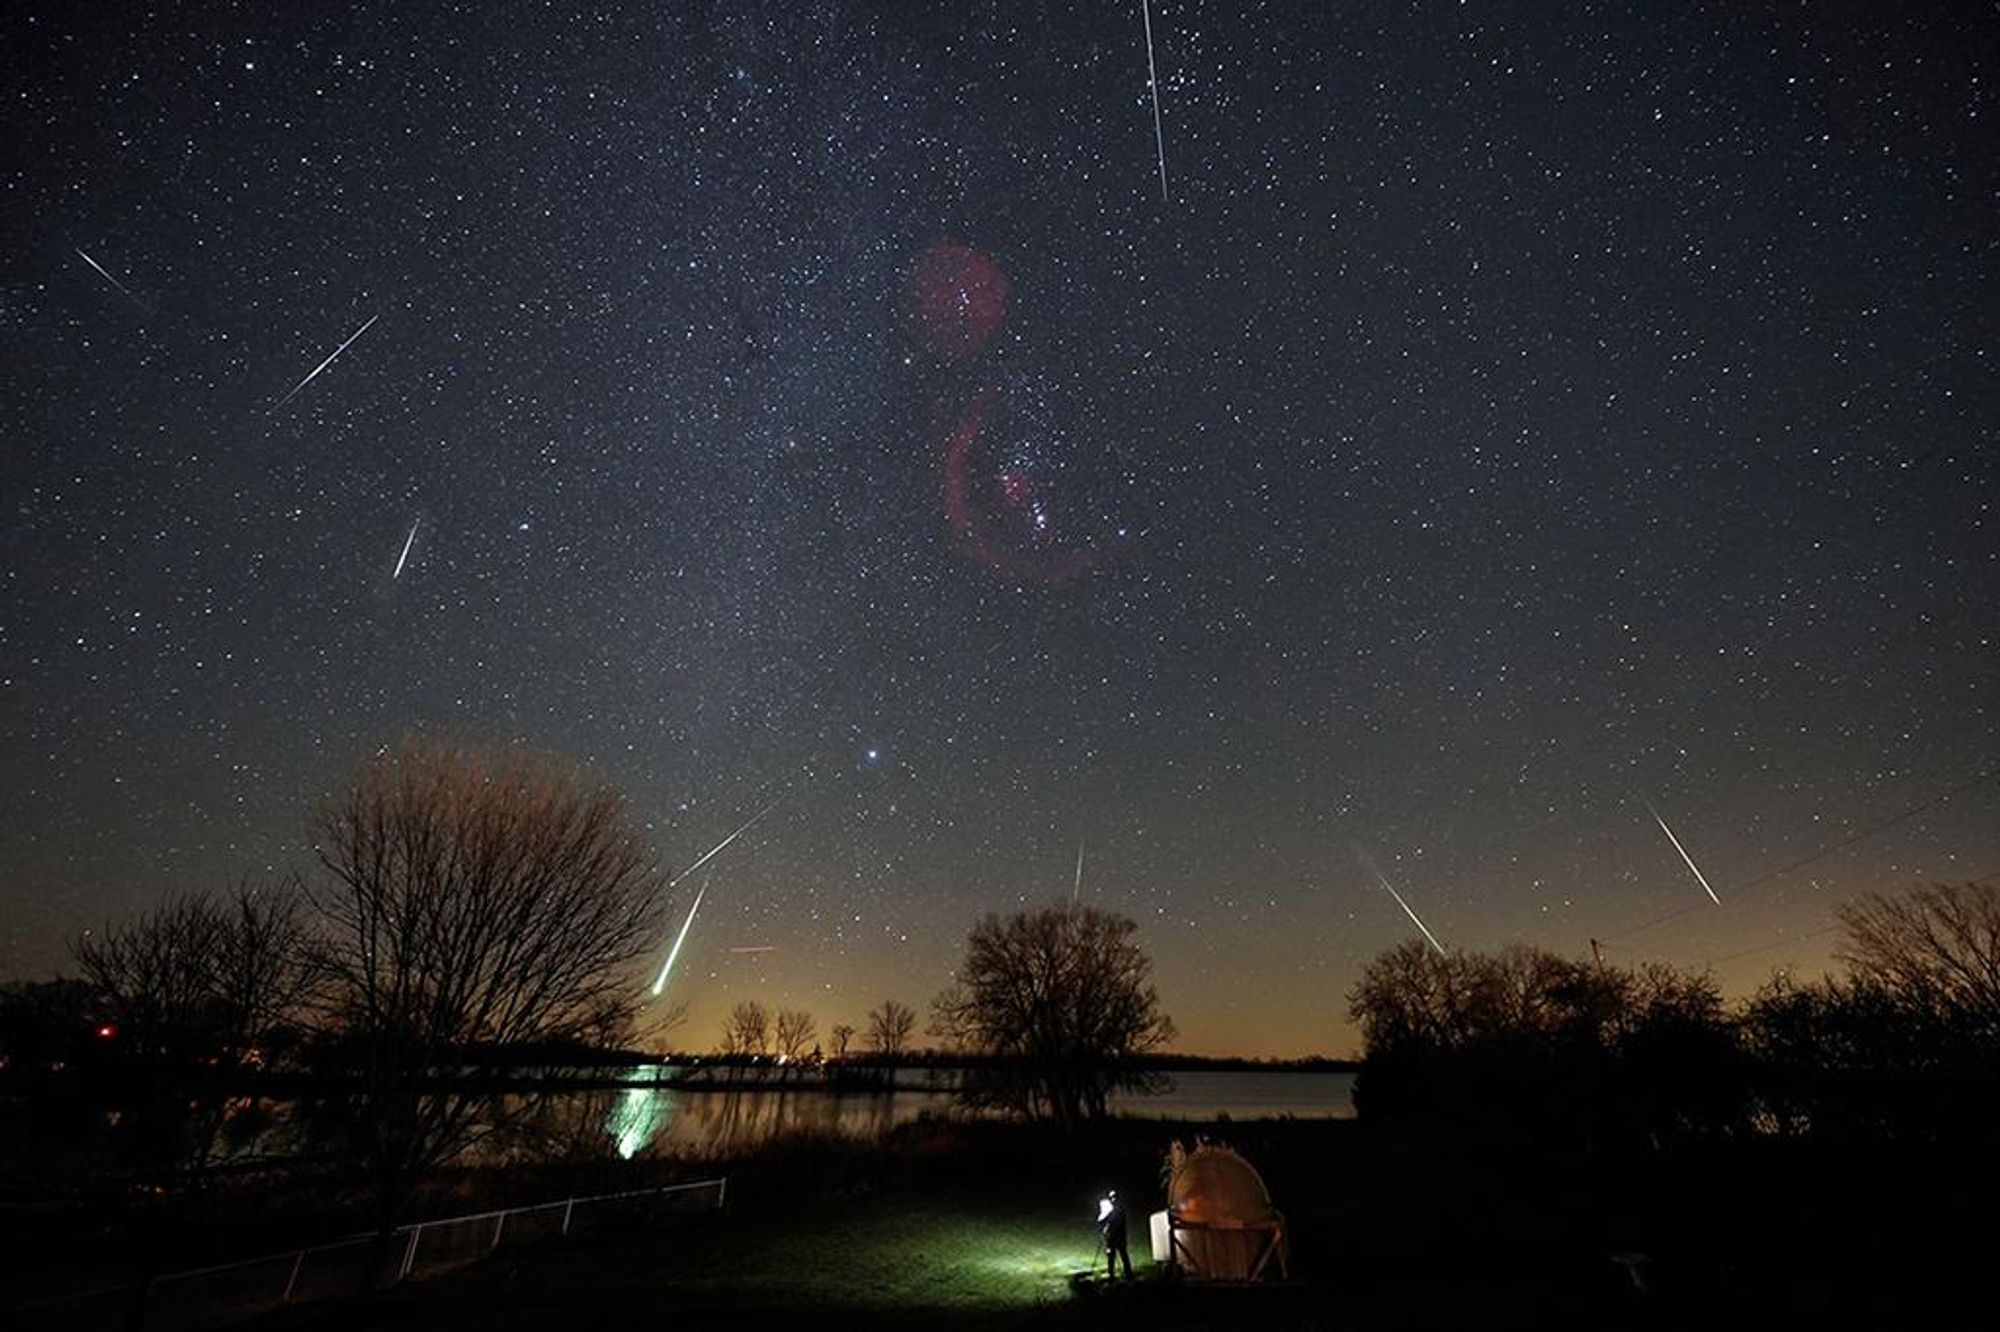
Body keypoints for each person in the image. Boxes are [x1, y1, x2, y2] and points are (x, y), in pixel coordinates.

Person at [1096, 1189, 1132, 1280]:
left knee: (1119, 1255)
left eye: (1114, 1198)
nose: (1113, 1200)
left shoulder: (1116, 1210)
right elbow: (1102, 1220)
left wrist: (1104, 1220)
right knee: (1115, 1255)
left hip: (1116, 1236)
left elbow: (1104, 1221)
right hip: (1116, 1236)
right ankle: (1116, 1273)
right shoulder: (1114, 1208)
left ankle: (1123, 1274)